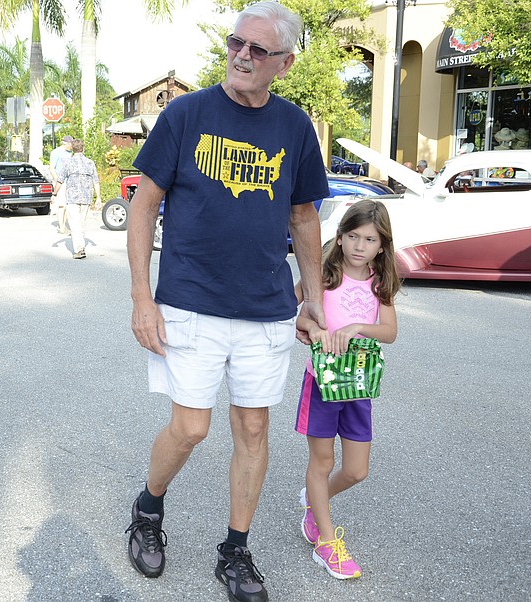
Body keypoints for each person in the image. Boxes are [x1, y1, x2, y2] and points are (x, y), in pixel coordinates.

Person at [124, 3, 328, 601]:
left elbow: (304, 216)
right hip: (189, 300)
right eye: (237, 42)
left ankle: (235, 553)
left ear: (284, 64)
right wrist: (142, 295)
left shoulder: (294, 128)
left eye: (258, 50)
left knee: (254, 429)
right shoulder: (186, 114)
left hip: (265, 308)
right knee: (189, 427)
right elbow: (144, 204)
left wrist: (313, 299)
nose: (241, 54)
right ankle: (148, 508)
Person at [293, 199, 400, 580]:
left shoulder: (380, 282)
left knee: (356, 471)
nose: (359, 246)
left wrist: (356, 328)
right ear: (339, 238)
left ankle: (312, 502)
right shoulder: (322, 274)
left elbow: (389, 331)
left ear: (381, 246)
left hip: (357, 384)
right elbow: (297, 309)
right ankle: (326, 542)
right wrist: (311, 327)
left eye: (369, 239)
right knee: (321, 463)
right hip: (321, 382)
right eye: (352, 236)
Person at [54, 139, 100, 259]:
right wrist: (98, 197)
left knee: (74, 224)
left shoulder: (68, 163)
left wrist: (54, 194)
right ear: (83, 149)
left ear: (73, 149)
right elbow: (96, 181)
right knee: (82, 222)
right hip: (86, 197)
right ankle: (80, 244)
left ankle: (79, 249)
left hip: (72, 197)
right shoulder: (90, 163)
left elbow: (60, 180)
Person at [49, 135, 73, 234]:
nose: (72, 146)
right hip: (60, 182)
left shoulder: (71, 153)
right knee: (61, 205)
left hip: (70, 182)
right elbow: (51, 168)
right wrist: (58, 181)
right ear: (66, 143)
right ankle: (61, 226)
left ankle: (64, 224)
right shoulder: (56, 152)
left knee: (68, 205)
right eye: (71, 144)